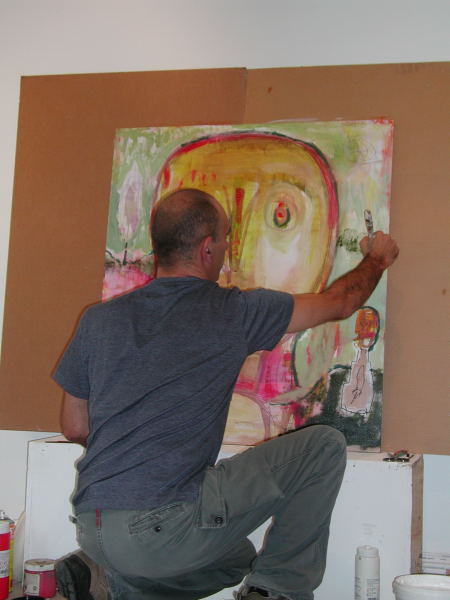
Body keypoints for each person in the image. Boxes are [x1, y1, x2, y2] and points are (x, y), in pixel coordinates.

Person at [53, 188, 399, 600]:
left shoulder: (98, 320)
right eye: (225, 238)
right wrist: (377, 258)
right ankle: (275, 593)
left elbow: (75, 427)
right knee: (322, 446)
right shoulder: (234, 311)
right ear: (206, 249)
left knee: (235, 559)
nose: (227, 249)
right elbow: (340, 303)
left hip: (93, 527)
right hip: (161, 528)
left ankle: (107, 581)